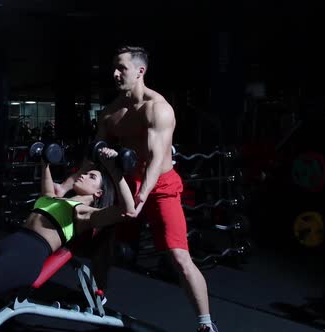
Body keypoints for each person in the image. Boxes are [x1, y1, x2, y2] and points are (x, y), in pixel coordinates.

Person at [55, 45, 218, 332]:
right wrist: (65, 185)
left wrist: (142, 197)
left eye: (122, 68)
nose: (115, 74)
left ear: (140, 71)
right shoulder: (110, 113)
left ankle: (205, 323)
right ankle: (97, 302)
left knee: (179, 256)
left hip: (161, 186)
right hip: (127, 183)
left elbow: (156, 159)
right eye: (114, 68)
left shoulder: (158, 108)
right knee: (103, 244)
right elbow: (92, 155)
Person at [0, 148, 135, 332]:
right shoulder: (58, 201)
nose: (83, 175)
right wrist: (45, 163)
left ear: (98, 194)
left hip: (27, 256)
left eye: (92, 177)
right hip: (6, 245)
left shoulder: (84, 213)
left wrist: (115, 172)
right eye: (86, 173)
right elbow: (49, 192)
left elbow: (126, 211)